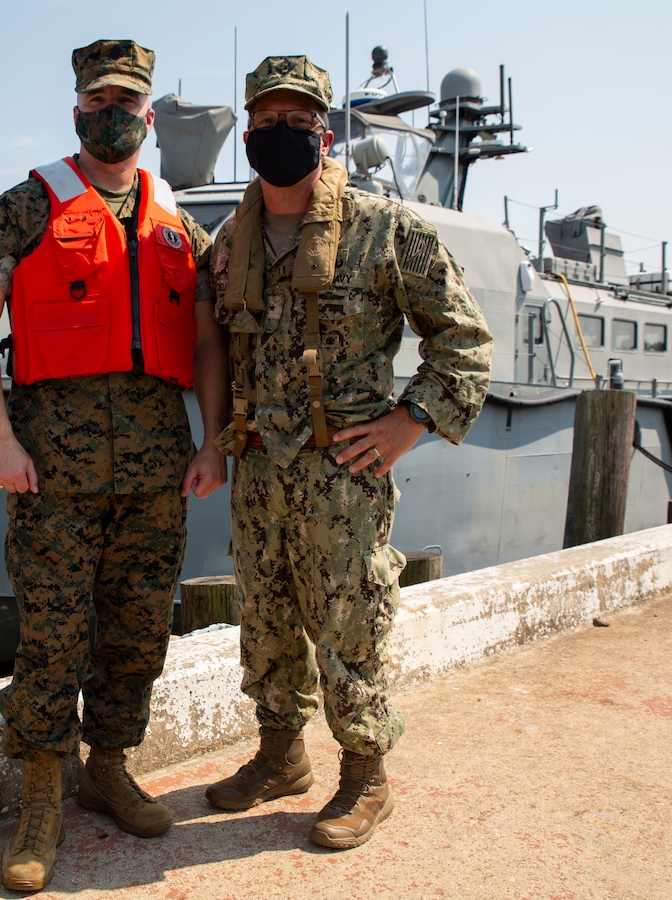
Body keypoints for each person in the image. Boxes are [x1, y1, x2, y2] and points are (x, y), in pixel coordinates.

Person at [0, 38, 229, 892]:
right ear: (77, 109)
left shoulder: (178, 222)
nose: (115, 113)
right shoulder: (20, 209)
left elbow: (212, 345)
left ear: (151, 114)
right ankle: (41, 795)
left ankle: (108, 769)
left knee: (140, 631)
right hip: (52, 473)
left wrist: (214, 439)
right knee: (51, 634)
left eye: (130, 101)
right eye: (100, 99)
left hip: (156, 474)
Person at [206, 55, 492, 850]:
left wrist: (410, 423)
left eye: (295, 122)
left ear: (324, 133)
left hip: (344, 475)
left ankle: (366, 776)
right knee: (262, 617)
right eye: (263, 123)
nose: (277, 135)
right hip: (260, 470)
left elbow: (463, 342)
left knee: (351, 623)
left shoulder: (385, 228)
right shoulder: (232, 238)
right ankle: (280, 754)